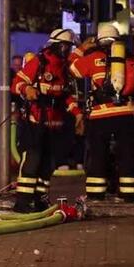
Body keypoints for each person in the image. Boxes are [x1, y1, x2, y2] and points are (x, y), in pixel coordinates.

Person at [10, 28, 82, 213]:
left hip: (54, 124)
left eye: (69, 47)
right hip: (35, 122)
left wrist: (77, 113)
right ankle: (23, 202)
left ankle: (40, 200)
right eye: (65, 46)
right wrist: (27, 90)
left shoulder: (64, 68)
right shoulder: (39, 62)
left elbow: (66, 96)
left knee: (48, 165)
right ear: (56, 46)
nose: (67, 50)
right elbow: (16, 83)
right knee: (32, 161)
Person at [69, 24, 134, 203]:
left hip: (101, 114)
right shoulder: (131, 59)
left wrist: (81, 49)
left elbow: (72, 68)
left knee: (98, 153)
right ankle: (129, 193)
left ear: (99, 41)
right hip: (126, 112)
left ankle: (96, 194)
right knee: (127, 152)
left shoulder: (93, 58)